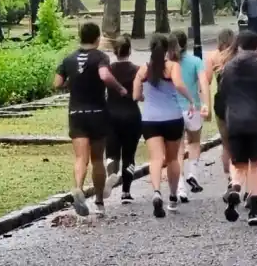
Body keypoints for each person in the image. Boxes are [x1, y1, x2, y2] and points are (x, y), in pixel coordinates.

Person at [54, 22, 126, 217]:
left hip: (76, 113)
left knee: (80, 157)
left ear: (80, 37)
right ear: (97, 38)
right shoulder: (100, 57)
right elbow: (104, 75)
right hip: (97, 113)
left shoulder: (68, 58)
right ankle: (100, 201)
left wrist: (71, 82)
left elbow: (57, 82)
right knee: (97, 159)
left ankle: (78, 188)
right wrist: (119, 88)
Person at [133, 34, 196, 218]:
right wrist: (191, 100)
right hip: (172, 118)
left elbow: (136, 95)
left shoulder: (144, 69)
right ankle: (173, 196)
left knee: (155, 159)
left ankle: (156, 192)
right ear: (167, 48)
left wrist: (144, 96)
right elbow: (178, 84)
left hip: (150, 120)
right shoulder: (172, 67)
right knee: (173, 159)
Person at [220, 31, 257, 226]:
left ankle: (235, 188)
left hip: (235, 120)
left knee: (239, 164)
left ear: (239, 45)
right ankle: (254, 210)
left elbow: (223, 93)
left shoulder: (228, 67)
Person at [172, 31, 210, 203]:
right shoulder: (196, 61)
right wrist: (205, 104)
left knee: (177, 150)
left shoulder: (168, 63)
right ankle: (192, 173)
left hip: (173, 110)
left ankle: (180, 188)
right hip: (192, 108)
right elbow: (203, 83)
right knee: (194, 142)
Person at [105, 34, 142, 204]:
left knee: (112, 152)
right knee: (129, 154)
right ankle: (126, 191)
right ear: (130, 50)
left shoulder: (108, 70)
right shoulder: (136, 70)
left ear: (114, 51)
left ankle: (111, 173)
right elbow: (140, 94)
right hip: (132, 116)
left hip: (111, 114)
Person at [205, 29, 237, 190]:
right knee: (240, 142)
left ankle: (229, 178)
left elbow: (207, 80)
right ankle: (241, 177)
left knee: (226, 144)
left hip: (221, 101)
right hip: (237, 101)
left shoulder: (212, 56)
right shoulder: (237, 55)